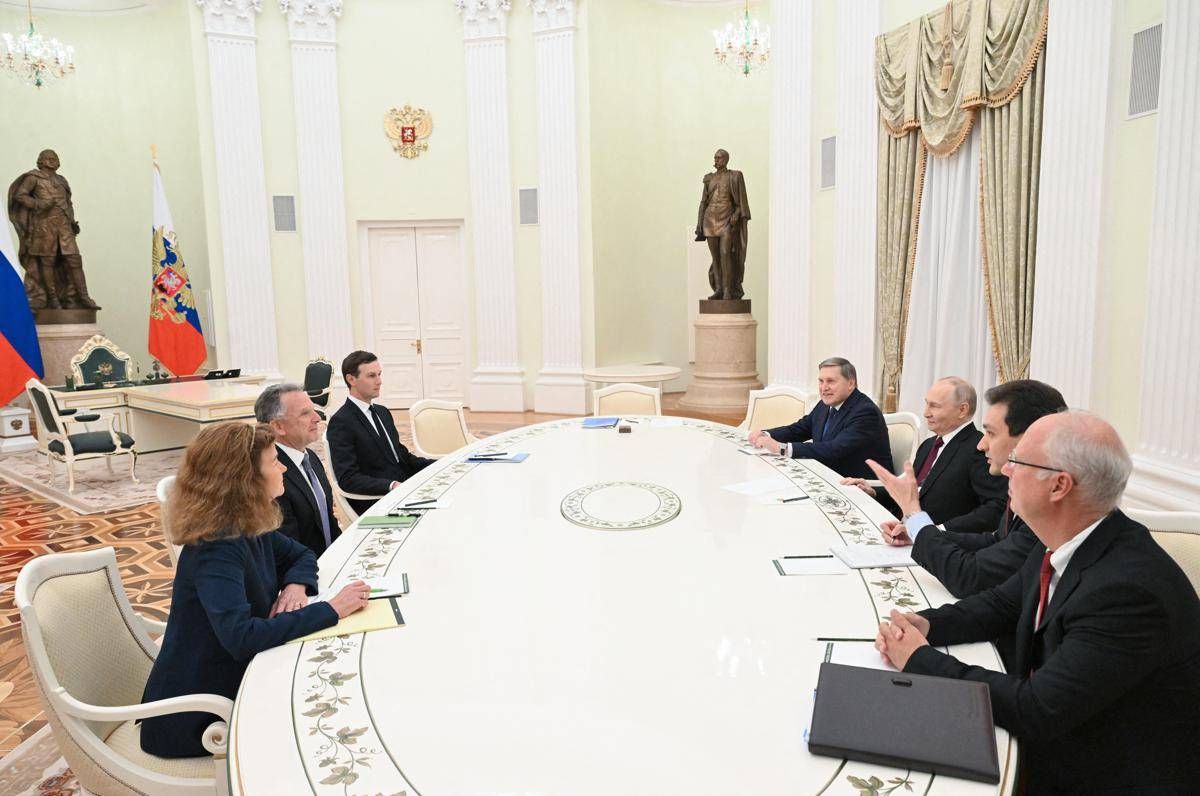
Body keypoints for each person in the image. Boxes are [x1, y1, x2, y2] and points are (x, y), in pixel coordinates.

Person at [874, 411, 1200, 793]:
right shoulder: (1067, 536)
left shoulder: (1127, 592)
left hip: (1104, 771)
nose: (1004, 471)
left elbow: (1037, 709)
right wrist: (929, 624)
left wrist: (919, 660)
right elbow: (1001, 604)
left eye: (1018, 462)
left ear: (1059, 485)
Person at [140, 422, 369, 758]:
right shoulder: (217, 545)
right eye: (274, 461)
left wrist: (295, 586)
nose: (283, 468)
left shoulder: (247, 524)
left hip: (235, 678)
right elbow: (242, 637)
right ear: (246, 479)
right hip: (197, 714)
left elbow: (301, 555)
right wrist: (332, 609)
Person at [868, 379, 1066, 599]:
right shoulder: (928, 445)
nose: (982, 444)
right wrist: (918, 532)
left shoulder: (1045, 513)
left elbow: (970, 576)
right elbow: (997, 542)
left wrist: (918, 521)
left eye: (991, 433)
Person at [845, 377, 1005, 531]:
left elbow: (995, 508)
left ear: (962, 410)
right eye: (927, 404)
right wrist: (873, 492)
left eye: (934, 406)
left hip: (940, 543)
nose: (926, 413)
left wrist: (938, 530)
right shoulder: (928, 445)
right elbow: (915, 494)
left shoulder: (979, 449)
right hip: (901, 532)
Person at [326, 350, 434, 515]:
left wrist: (439, 463)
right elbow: (348, 479)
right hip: (378, 503)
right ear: (351, 379)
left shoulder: (383, 412)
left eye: (379, 374)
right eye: (371, 376)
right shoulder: (341, 422)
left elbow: (402, 457)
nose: (379, 381)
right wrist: (391, 486)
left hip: (405, 491)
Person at [749, 357, 892, 479]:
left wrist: (782, 448)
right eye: (821, 381)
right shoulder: (826, 404)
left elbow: (834, 449)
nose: (824, 387)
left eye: (830, 381)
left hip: (862, 490)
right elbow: (800, 429)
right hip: (828, 477)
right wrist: (766, 434)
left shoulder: (865, 412)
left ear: (850, 383)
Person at [7, 149, 98, 309]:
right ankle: (53, 299)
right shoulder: (33, 178)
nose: (52, 160)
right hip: (44, 226)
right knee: (47, 261)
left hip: (64, 226)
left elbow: (68, 203)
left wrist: (72, 221)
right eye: (47, 158)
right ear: (41, 161)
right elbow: (20, 195)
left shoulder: (62, 180)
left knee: (74, 259)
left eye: (54, 158)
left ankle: (83, 297)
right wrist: (38, 204)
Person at [255, 383, 340, 556]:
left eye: (314, 410)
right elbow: (287, 552)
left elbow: (328, 523)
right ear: (278, 426)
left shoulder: (310, 457)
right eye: (305, 413)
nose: (317, 418)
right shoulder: (272, 476)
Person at [694, 148, 750, 300]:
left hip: (726, 220)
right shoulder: (709, 179)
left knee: (725, 253)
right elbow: (703, 202)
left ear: (726, 159)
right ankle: (718, 289)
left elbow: (741, 204)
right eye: (715, 157)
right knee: (716, 257)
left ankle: (727, 290)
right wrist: (699, 223)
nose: (716, 160)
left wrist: (736, 214)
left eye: (718, 157)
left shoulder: (735, 176)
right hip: (709, 220)